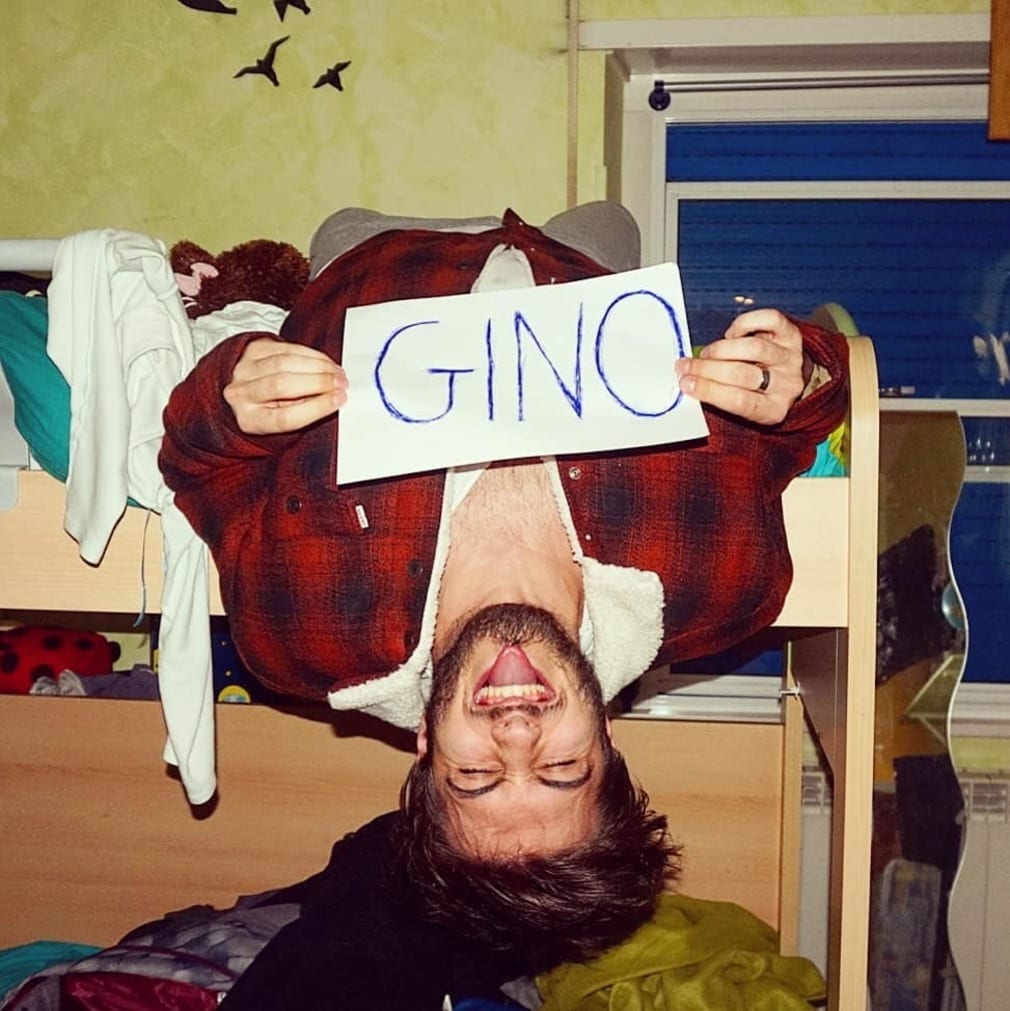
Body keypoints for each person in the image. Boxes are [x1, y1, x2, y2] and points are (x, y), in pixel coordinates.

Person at [159, 203, 849, 970]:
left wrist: (231, 395)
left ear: (425, 752)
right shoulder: (726, 584)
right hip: (581, 266)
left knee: (340, 227)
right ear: (608, 740)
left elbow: (194, 467)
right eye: (561, 769)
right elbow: (797, 424)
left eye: (476, 774)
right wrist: (800, 375)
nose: (517, 733)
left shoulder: (298, 638)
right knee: (610, 222)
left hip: (377, 264)